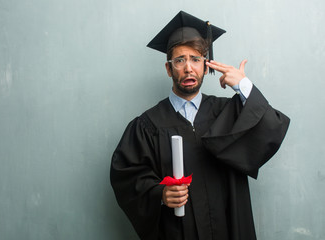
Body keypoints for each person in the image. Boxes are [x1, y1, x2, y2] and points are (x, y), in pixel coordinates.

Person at [110, 11, 290, 240]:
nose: (188, 68)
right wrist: (161, 194)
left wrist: (243, 86)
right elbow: (127, 177)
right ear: (168, 68)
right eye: (179, 60)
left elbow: (271, 127)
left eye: (196, 59)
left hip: (229, 228)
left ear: (206, 66)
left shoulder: (229, 112)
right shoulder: (148, 125)